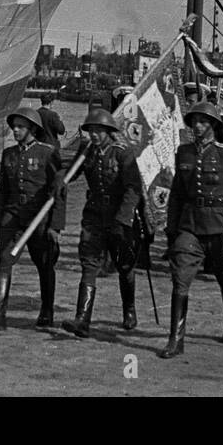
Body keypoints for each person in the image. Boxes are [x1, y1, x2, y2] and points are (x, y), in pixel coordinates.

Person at [160, 102, 223, 356]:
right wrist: (172, 229)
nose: (197, 127)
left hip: (219, 224)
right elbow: (178, 194)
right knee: (180, 279)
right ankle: (176, 339)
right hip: (190, 225)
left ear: (213, 125)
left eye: (203, 122)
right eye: (194, 122)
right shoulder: (184, 152)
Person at [0, 108, 65, 334]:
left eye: (20, 127)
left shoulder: (48, 153)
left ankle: (47, 311)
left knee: (45, 265)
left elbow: (59, 192)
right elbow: (4, 190)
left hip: (39, 219)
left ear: (32, 129)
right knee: (4, 261)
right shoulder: (8, 154)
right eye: (14, 127)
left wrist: (55, 226)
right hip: (13, 218)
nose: (15, 130)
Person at [61, 108, 141, 338]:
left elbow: (132, 189)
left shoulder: (122, 154)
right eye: (91, 131)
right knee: (89, 264)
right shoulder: (87, 151)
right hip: (94, 215)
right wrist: (61, 180)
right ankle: (82, 320)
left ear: (108, 131)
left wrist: (123, 219)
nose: (94, 135)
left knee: (124, 266)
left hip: (119, 218)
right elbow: (71, 173)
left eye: (99, 131)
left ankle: (129, 310)